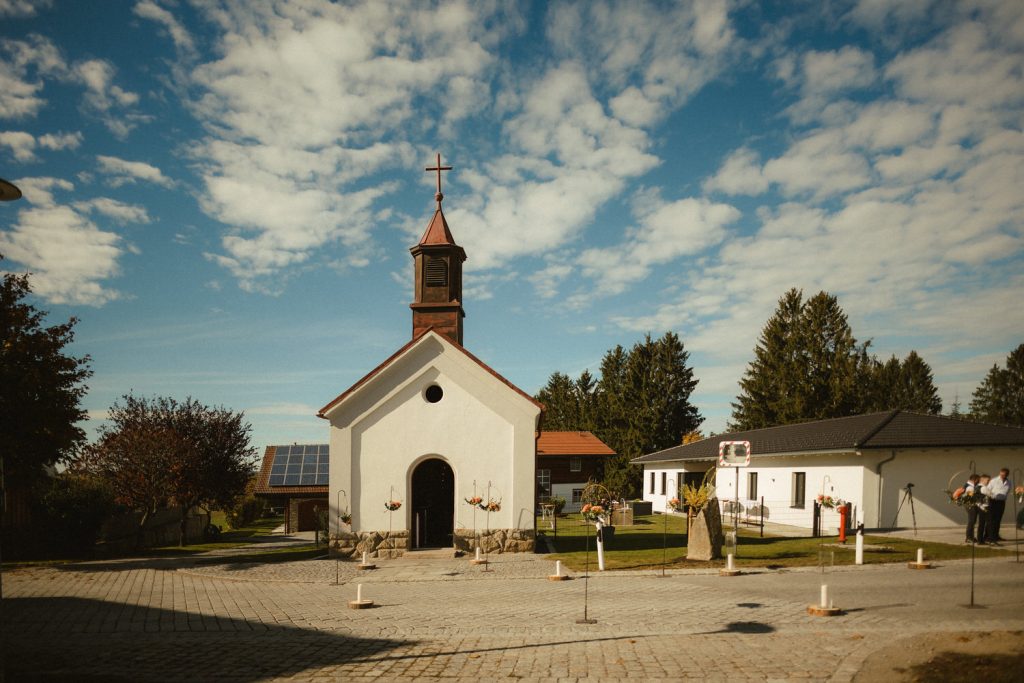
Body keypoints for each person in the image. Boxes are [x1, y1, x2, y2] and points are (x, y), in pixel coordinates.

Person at [986, 468, 1011, 543]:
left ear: (1007, 475)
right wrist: (992, 496)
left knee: (998, 520)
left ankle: (996, 536)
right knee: (992, 520)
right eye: (1001, 474)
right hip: (993, 501)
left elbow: (1007, 491)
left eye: (1004, 475)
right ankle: (990, 537)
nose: (1002, 476)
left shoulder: (1009, 482)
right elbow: (987, 490)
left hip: (1001, 502)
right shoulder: (994, 481)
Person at [964, 473, 982, 543]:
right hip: (970, 505)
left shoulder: (970, 486)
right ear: (975, 479)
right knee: (971, 521)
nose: (978, 482)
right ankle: (969, 537)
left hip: (970, 505)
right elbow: (970, 496)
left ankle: (970, 536)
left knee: (972, 521)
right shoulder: (970, 487)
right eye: (978, 480)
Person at [976, 474, 991, 545]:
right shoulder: (984, 488)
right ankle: (983, 539)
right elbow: (991, 495)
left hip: (980, 506)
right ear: (982, 480)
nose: (989, 481)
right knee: (987, 523)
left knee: (981, 524)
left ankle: (980, 539)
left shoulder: (977, 487)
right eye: (988, 480)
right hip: (984, 506)